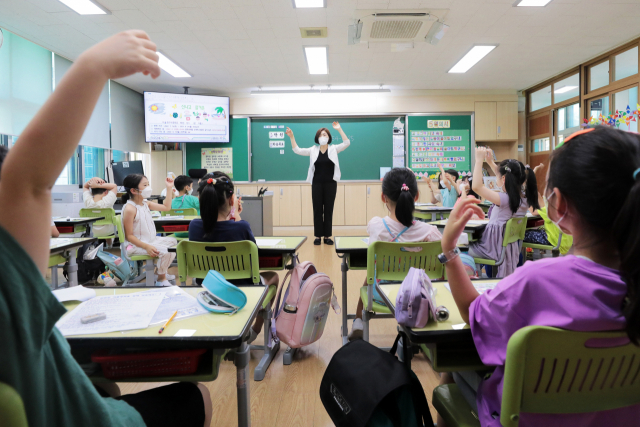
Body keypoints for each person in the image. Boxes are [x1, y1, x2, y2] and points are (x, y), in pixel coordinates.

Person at [0, 30, 212, 427]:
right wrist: (93, 67)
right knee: (194, 394)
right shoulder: (10, 294)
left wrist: (164, 195)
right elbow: (26, 181)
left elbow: (27, 183)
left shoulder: (144, 201)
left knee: (106, 387)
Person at [437, 126, 640, 427]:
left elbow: (473, 313)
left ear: (559, 203)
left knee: (450, 368)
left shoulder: (537, 281)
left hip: (523, 420)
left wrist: (450, 251)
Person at [349, 168, 442, 340]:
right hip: (419, 295)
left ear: (383, 197)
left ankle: (358, 322)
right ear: (416, 196)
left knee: (371, 275)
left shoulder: (376, 225)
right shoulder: (430, 232)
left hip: (381, 293)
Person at [189, 171, 278, 344]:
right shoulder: (241, 227)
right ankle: (254, 331)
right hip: (243, 289)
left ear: (201, 200)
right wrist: (236, 215)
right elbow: (255, 259)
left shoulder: (194, 227)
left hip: (208, 288)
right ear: (231, 201)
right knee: (273, 276)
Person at [469, 147, 539, 277]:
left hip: (492, 248)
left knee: (460, 249)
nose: (496, 178)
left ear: (504, 179)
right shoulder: (524, 198)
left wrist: (479, 161)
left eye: (498, 176)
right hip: (509, 249)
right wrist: (490, 162)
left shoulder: (503, 199)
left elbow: (477, 186)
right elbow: (507, 175)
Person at [287, 122, 351, 246]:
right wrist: (291, 137)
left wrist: (339, 129)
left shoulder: (334, 149)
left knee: (328, 209)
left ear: (328, 137)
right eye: (321, 135)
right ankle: (318, 236)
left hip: (331, 184)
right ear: (317, 137)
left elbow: (347, 143)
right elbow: (297, 150)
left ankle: (327, 236)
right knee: (317, 210)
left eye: (325, 134)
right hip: (316, 183)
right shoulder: (313, 150)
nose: (323, 136)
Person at [122, 174, 177, 287]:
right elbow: (129, 236)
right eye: (145, 185)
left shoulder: (145, 203)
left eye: (148, 184)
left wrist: (169, 187)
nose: (148, 188)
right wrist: (146, 246)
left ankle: (160, 271)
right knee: (166, 251)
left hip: (150, 241)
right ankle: (161, 279)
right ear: (133, 190)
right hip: (134, 246)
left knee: (173, 243)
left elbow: (166, 207)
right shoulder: (129, 209)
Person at [524, 163, 573, 255]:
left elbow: (533, 211)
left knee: (521, 234)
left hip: (554, 239)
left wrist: (525, 191)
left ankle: (519, 264)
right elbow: (537, 195)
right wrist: (533, 173)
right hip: (565, 241)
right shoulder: (565, 199)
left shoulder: (552, 203)